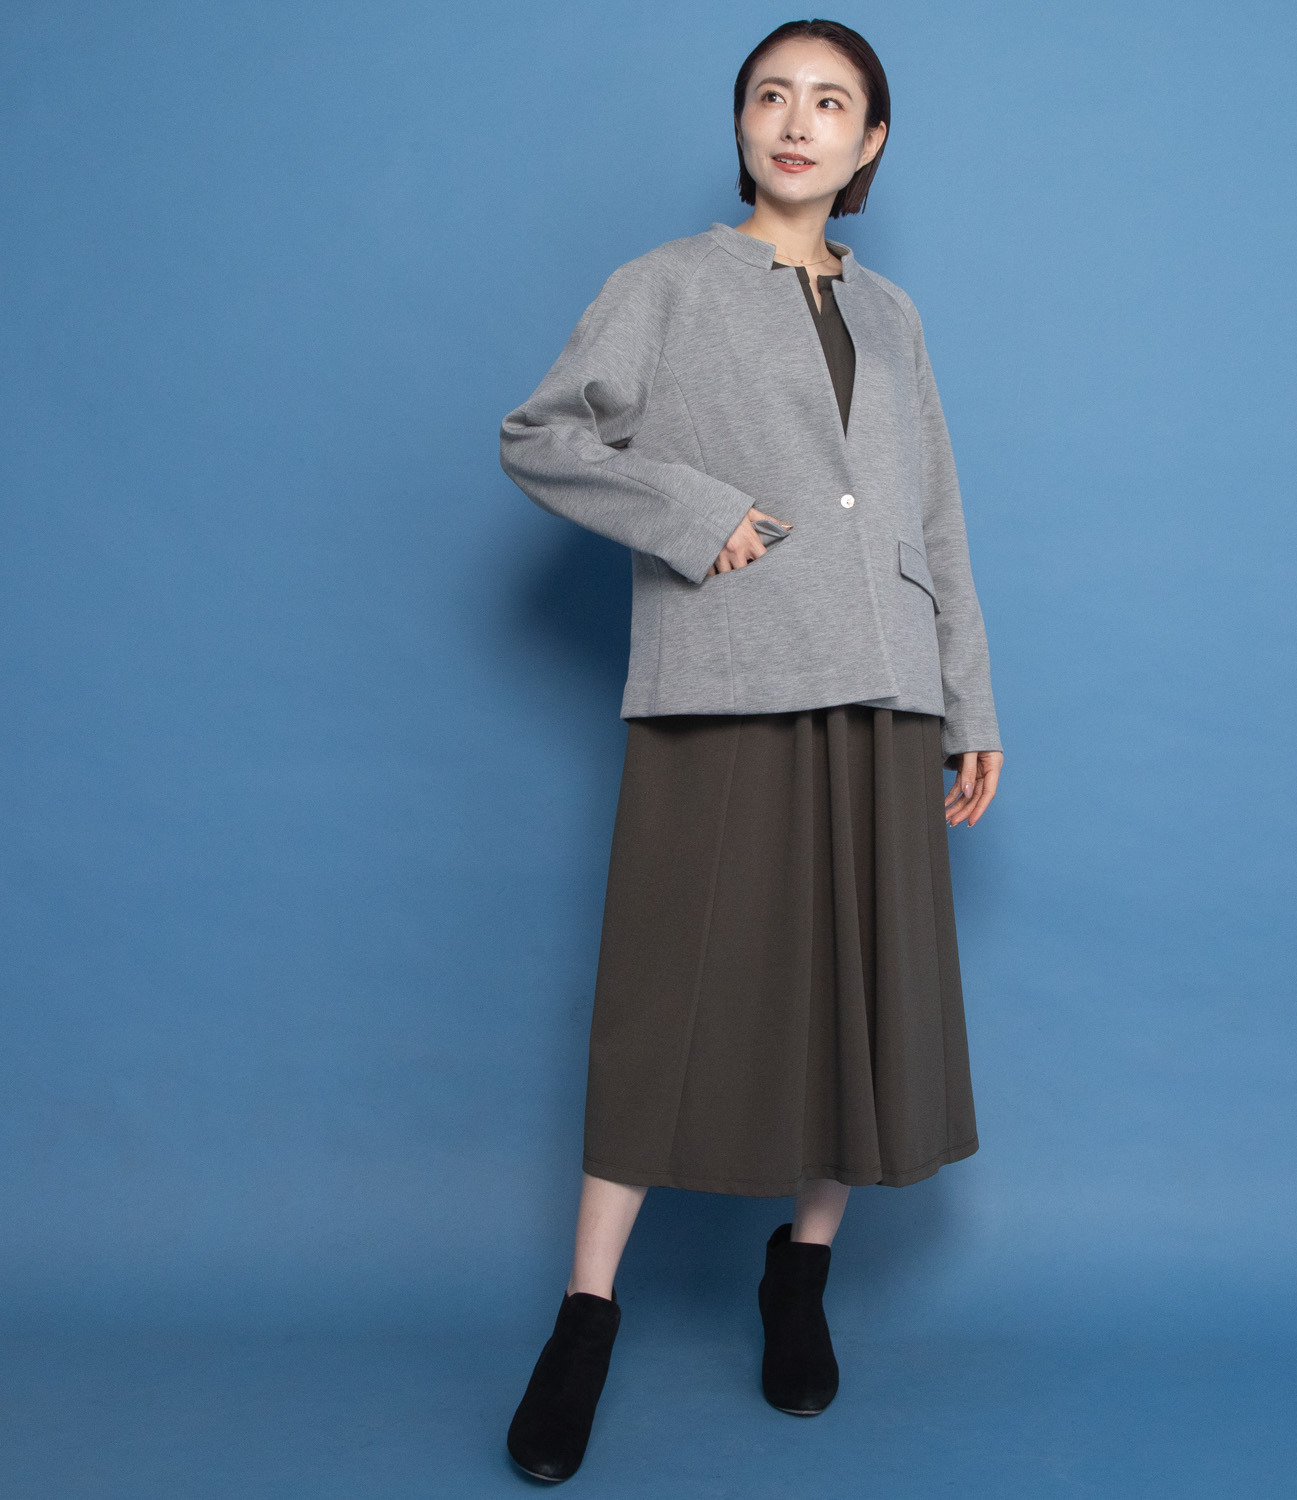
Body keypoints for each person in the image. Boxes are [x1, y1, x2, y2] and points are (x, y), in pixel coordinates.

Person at [497, 18, 1003, 1482]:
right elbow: (541, 436)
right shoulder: (663, 284)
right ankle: (585, 1320)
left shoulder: (895, 318)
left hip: (886, 687)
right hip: (722, 681)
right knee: (666, 999)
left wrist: (970, 703)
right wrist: (692, 511)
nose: (797, 121)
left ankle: (800, 1278)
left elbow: (937, 521)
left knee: (856, 991)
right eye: (772, 96)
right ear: (740, 124)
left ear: (870, 142)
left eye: (830, 103)